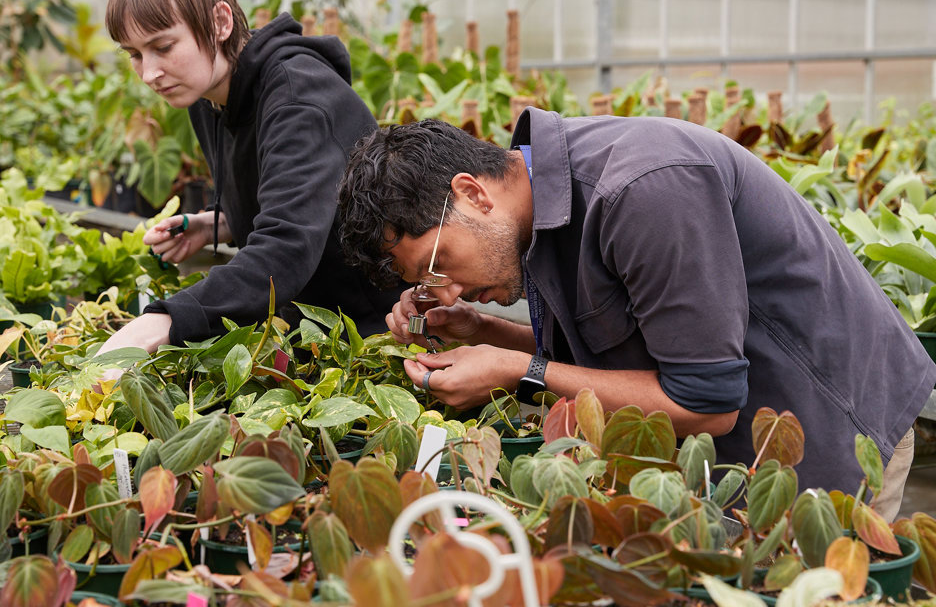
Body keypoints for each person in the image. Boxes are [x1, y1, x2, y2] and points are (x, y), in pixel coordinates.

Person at [337, 109, 936, 519]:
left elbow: (706, 402)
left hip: (834, 427)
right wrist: (483, 331)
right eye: (423, 285)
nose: (446, 289)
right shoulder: (544, 212)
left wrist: (516, 370)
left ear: (472, 192)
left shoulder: (644, 190)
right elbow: (629, 350)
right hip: (745, 451)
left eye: (437, 264)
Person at [97, 0, 400, 358]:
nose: (150, 73)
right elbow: (309, 200)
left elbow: (287, 246)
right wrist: (217, 225)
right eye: (135, 55)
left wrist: (160, 322)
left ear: (220, 22)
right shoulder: (206, 93)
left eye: (164, 47)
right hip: (300, 329)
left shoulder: (299, 97)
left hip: (372, 340)